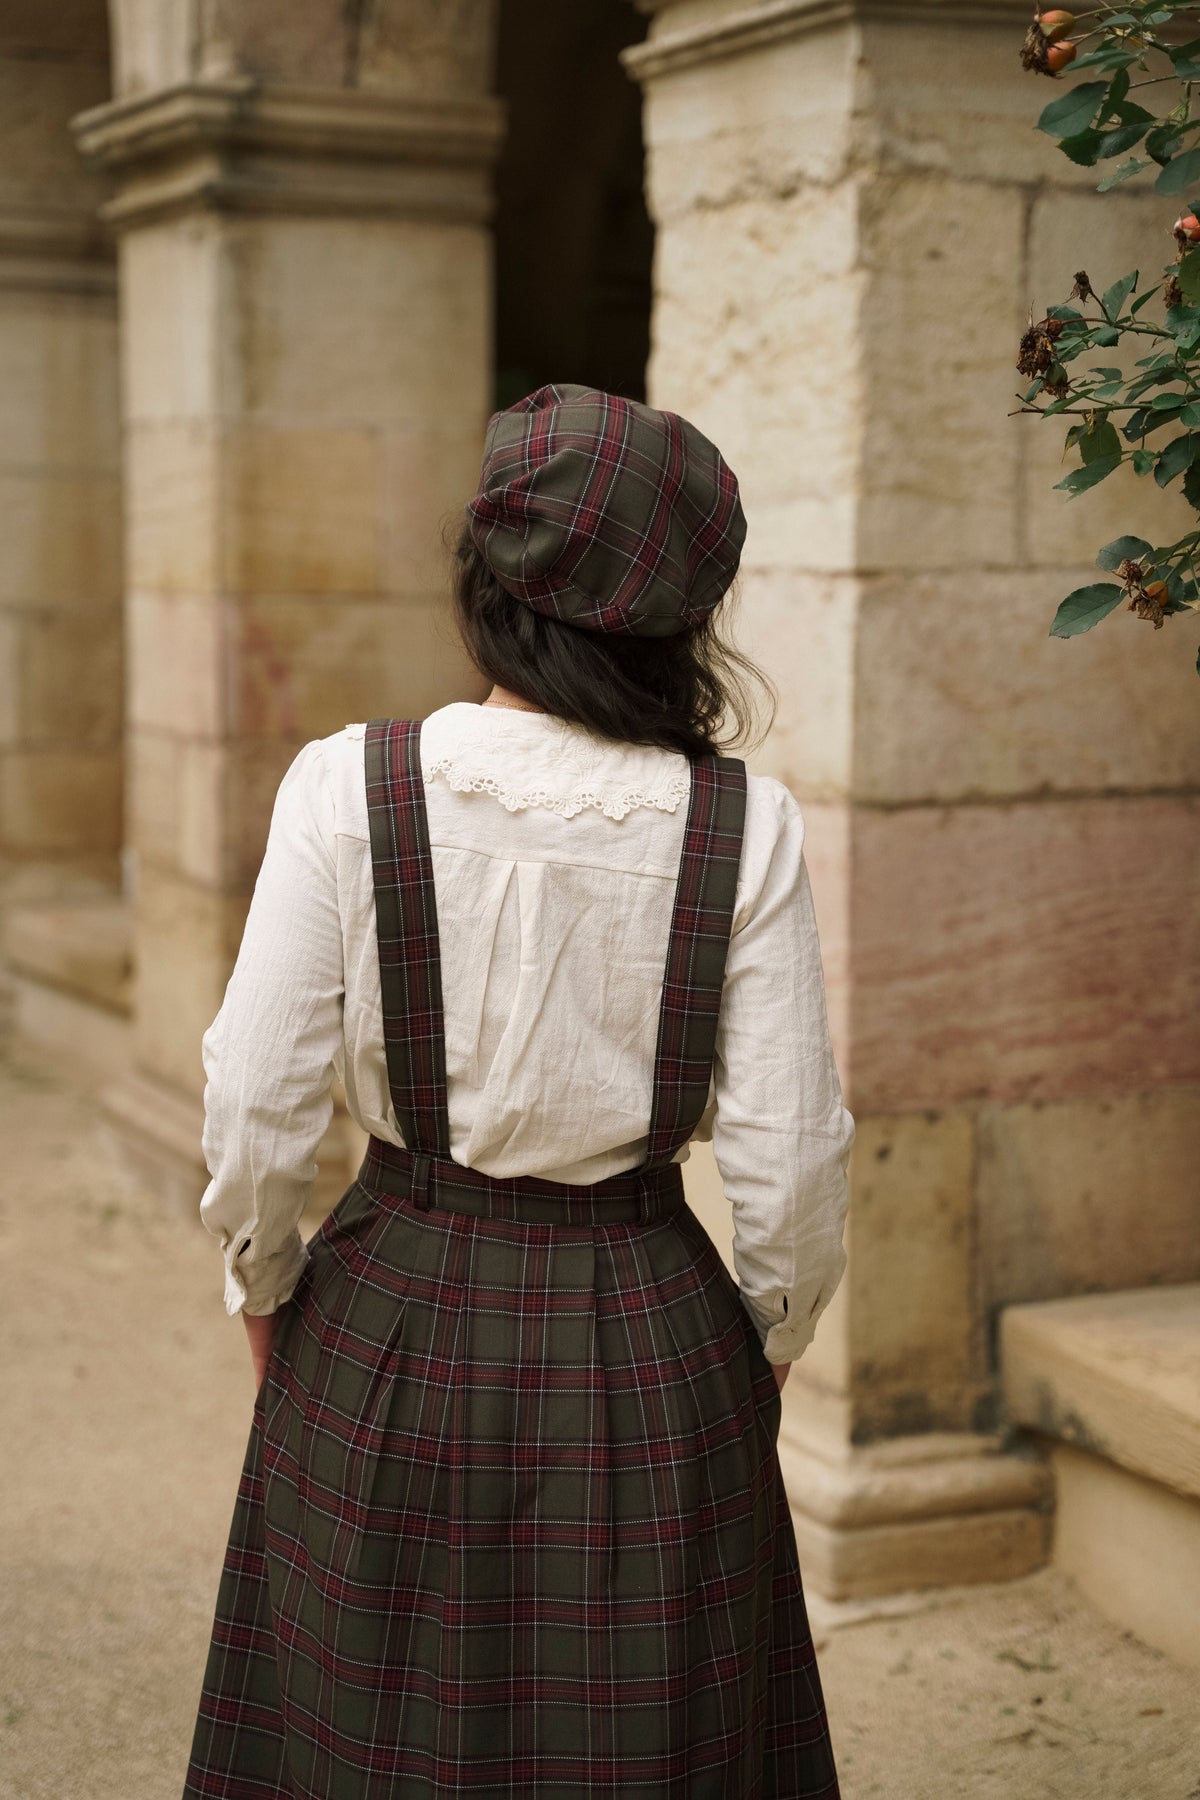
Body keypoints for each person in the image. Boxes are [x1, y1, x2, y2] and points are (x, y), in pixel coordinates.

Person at [183, 383, 855, 1799]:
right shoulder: (745, 826)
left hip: (386, 1311)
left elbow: (255, 1101)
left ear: (487, 580)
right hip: (652, 1333)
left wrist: (265, 1290)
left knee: (364, 1737)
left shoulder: (347, 786)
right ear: (683, 618)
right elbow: (793, 1161)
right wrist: (768, 1343)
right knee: (643, 1747)